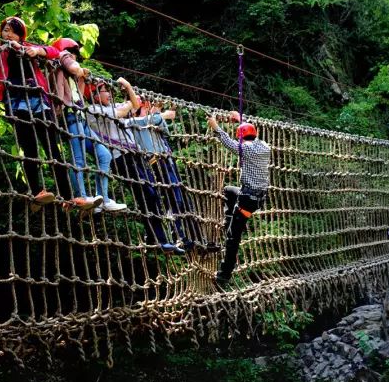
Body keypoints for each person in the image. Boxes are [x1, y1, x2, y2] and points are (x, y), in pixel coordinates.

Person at [0, 17, 87, 210]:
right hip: (16, 100)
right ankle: (37, 192)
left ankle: (69, 197)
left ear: (21, 34)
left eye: (13, 31)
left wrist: (37, 51)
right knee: (30, 149)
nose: (8, 34)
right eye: (5, 30)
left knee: (53, 149)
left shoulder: (28, 46)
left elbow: (53, 52)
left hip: (38, 100)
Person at [85, 79, 177, 250]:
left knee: (153, 193)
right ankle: (157, 239)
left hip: (134, 155)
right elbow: (123, 111)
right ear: (95, 96)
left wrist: (128, 89)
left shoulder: (112, 106)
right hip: (120, 157)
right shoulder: (93, 110)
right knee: (146, 194)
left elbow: (134, 105)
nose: (109, 94)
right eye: (105, 91)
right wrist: (128, 102)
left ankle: (156, 237)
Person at [125, 100, 207, 252]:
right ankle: (180, 238)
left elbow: (164, 128)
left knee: (183, 201)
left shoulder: (152, 119)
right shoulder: (132, 122)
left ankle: (197, 240)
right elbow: (148, 120)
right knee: (173, 201)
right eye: (145, 104)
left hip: (168, 161)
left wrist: (158, 114)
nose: (148, 106)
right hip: (156, 163)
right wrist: (161, 114)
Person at [207, 111, 271, 287]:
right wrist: (242, 120)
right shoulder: (265, 146)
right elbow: (249, 136)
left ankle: (223, 275)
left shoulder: (247, 149)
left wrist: (215, 127)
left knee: (232, 239)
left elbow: (230, 144)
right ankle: (229, 219)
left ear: (242, 138)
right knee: (229, 190)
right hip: (258, 198)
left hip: (247, 200)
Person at [48, 37, 107, 210]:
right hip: (70, 116)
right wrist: (80, 71)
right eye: (72, 53)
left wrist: (82, 78)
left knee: (104, 155)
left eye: (75, 54)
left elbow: (79, 98)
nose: (74, 57)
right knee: (78, 159)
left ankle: (102, 199)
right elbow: (71, 69)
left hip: (80, 116)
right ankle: (80, 196)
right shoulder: (59, 64)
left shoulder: (72, 77)